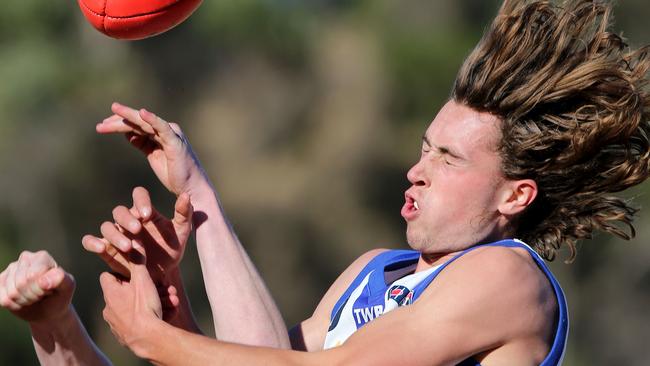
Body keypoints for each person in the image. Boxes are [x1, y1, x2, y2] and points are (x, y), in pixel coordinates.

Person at [1, 0, 648, 365]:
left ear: (515, 195)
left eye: (449, 158)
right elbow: (264, 357)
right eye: (423, 149)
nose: (417, 169)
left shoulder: (507, 278)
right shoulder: (374, 271)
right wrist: (196, 202)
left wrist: (152, 337)